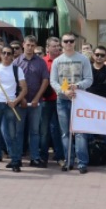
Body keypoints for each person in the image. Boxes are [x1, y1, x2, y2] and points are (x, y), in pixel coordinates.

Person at [48, 33, 93, 174]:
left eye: (71, 41)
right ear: (62, 43)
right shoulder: (57, 61)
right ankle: (68, 161)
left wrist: (77, 86)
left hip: (79, 100)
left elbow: (89, 79)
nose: (68, 43)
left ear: (75, 43)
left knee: (80, 133)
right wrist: (64, 91)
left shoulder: (83, 59)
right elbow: (53, 81)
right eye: (66, 41)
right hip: (62, 100)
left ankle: (82, 162)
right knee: (65, 133)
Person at [0, 45, 27, 172]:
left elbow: (24, 89)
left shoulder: (17, 69)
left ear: (13, 55)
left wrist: (16, 101)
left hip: (10, 104)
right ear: (0, 55)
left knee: (12, 135)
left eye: (9, 53)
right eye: (4, 53)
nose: (6, 56)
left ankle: (15, 161)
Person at [12, 35, 50, 168]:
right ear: (23, 44)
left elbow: (45, 81)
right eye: (28, 45)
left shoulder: (40, 62)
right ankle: (17, 159)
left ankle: (35, 158)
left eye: (32, 46)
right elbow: (13, 83)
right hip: (20, 102)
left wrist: (36, 98)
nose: (30, 48)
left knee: (34, 132)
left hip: (36, 103)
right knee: (18, 132)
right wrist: (21, 99)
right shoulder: (16, 62)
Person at [39, 37, 64, 166]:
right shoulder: (42, 62)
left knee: (58, 130)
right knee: (44, 130)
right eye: (53, 46)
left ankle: (60, 156)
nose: (56, 48)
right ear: (47, 48)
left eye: (58, 46)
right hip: (45, 100)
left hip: (61, 100)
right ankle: (43, 157)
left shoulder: (63, 61)